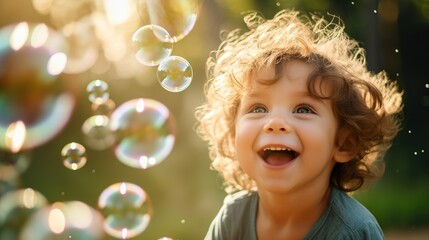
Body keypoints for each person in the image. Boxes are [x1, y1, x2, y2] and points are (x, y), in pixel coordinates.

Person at [194, 8, 403, 240]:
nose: (274, 123)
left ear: (343, 143)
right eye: (258, 109)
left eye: (303, 109)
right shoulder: (232, 220)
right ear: (234, 136)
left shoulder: (352, 231)